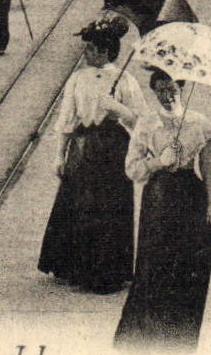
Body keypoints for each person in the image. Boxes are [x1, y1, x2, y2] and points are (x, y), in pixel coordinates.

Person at [114, 70, 211, 350]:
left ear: (181, 87)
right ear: (153, 92)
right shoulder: (146, 125)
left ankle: (182, 329)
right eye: (160, 89)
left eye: (171, 87)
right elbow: (132, 168)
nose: (167, 94)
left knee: (187, 259)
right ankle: (152, 328)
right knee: (156, 259)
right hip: (159, 200)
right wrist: (158, 162)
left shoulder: (200, 123)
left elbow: (210, 169)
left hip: (190, 198)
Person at [39, 16, 145, 294]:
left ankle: (108, 270)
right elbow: (67, 118)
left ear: (106, 51)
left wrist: (118, 110)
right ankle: (79, 269)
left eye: (92, 50)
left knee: (110, 207)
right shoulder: (77, 79)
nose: (87, 54)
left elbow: (141, 120)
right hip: (84, 147)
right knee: (81, 205)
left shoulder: (125, 80)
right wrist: (59, 155)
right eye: (87, 49)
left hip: (113, 149)